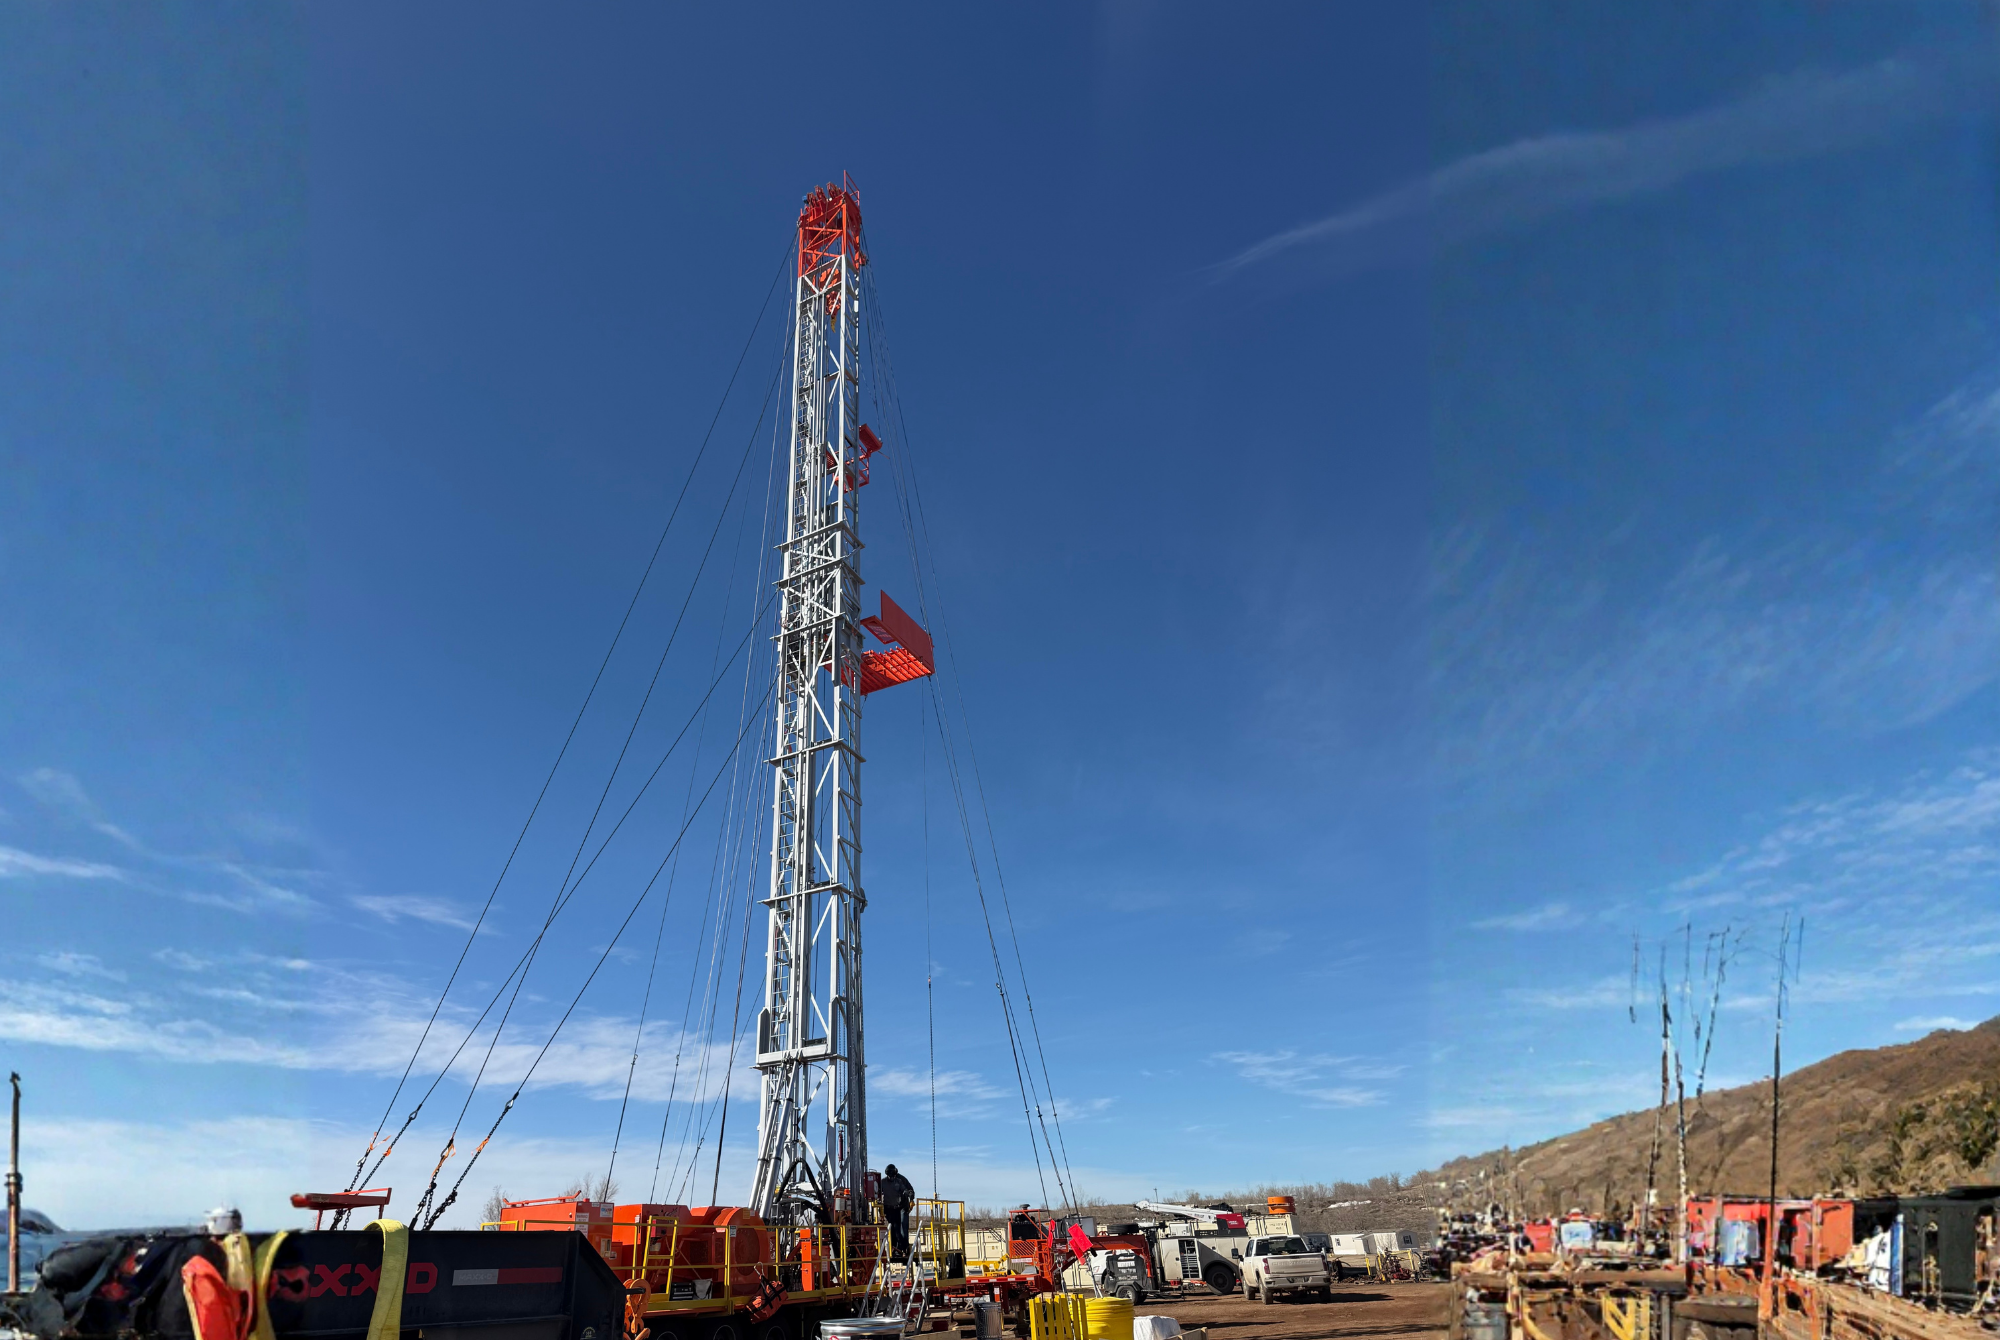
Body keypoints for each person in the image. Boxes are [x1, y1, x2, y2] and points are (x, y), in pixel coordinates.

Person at [880, 1163, 916, 1262]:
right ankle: (894, 1248)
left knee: (901, 1229)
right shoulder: (882, 1182)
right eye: (889, 1176)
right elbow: (877, 1191)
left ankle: (903, 1249)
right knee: (892, 1229)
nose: (891, 1178)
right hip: (889, 1209)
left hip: (902, 1206)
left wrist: (910, 1199)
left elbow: (908, 1190)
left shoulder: (900, 1180)